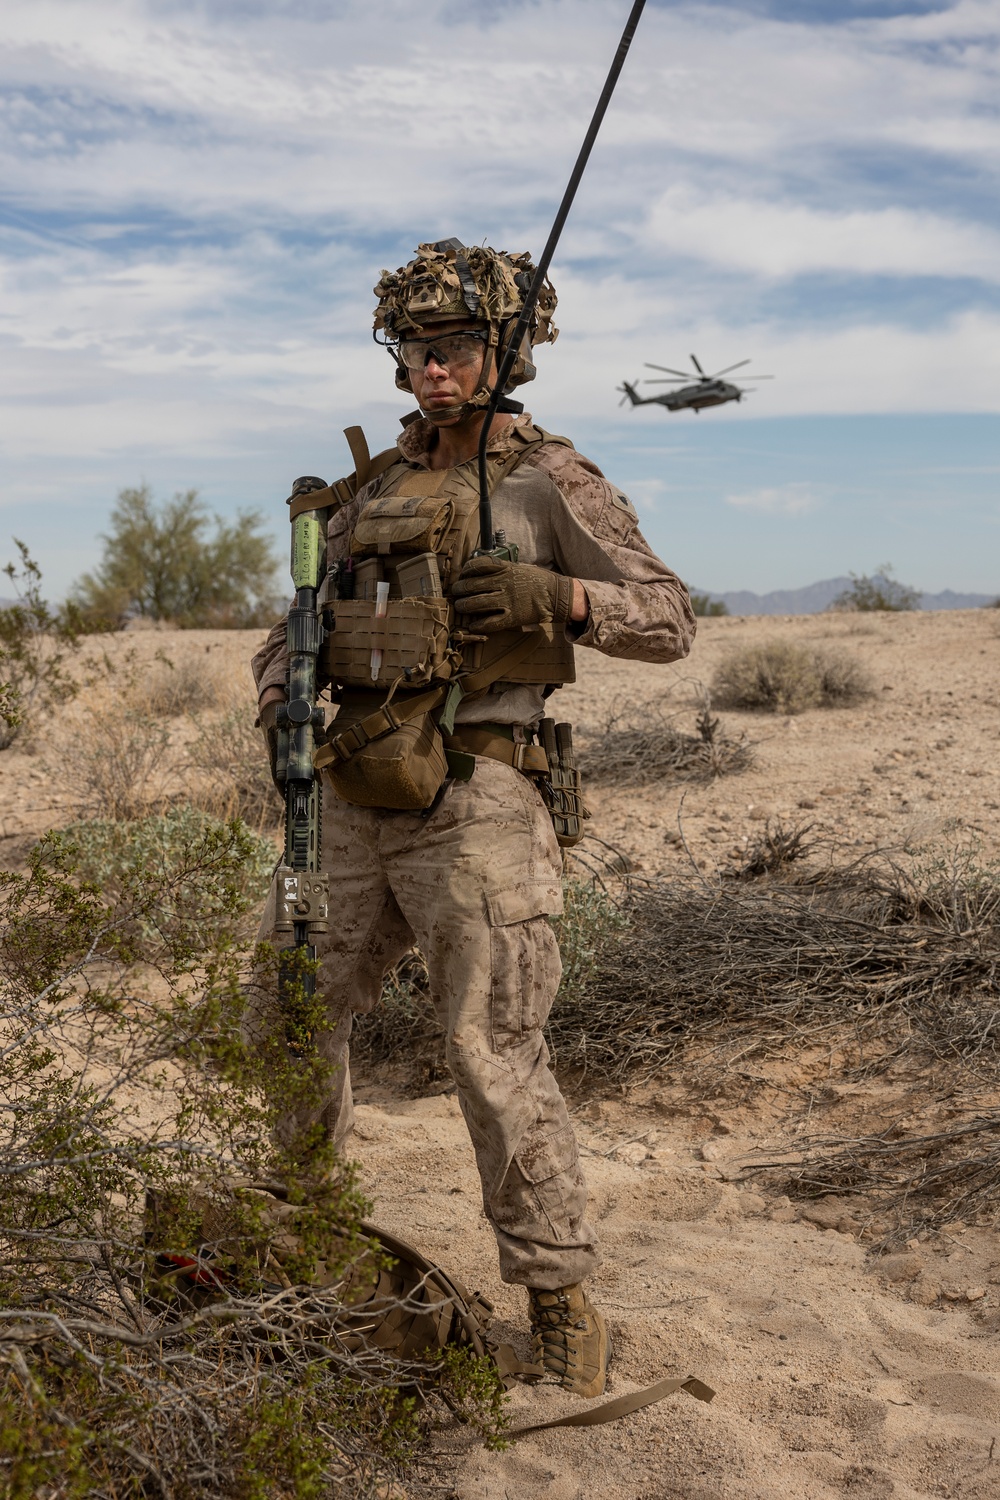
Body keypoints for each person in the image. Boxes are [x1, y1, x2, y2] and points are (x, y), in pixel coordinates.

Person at [245, 239, 695, 1398]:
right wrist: (278, 696)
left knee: (489, 1049)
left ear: (504, 349)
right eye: (413, 349)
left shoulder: (548, 478)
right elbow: (286, 629)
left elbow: (669, 618)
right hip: (349, 790)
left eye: (451, 347)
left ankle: (556, 1303)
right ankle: (302, 1235)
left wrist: (566, 596)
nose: (431, 370)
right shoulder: (370, 491)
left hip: (482, 795)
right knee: (285, 1012)